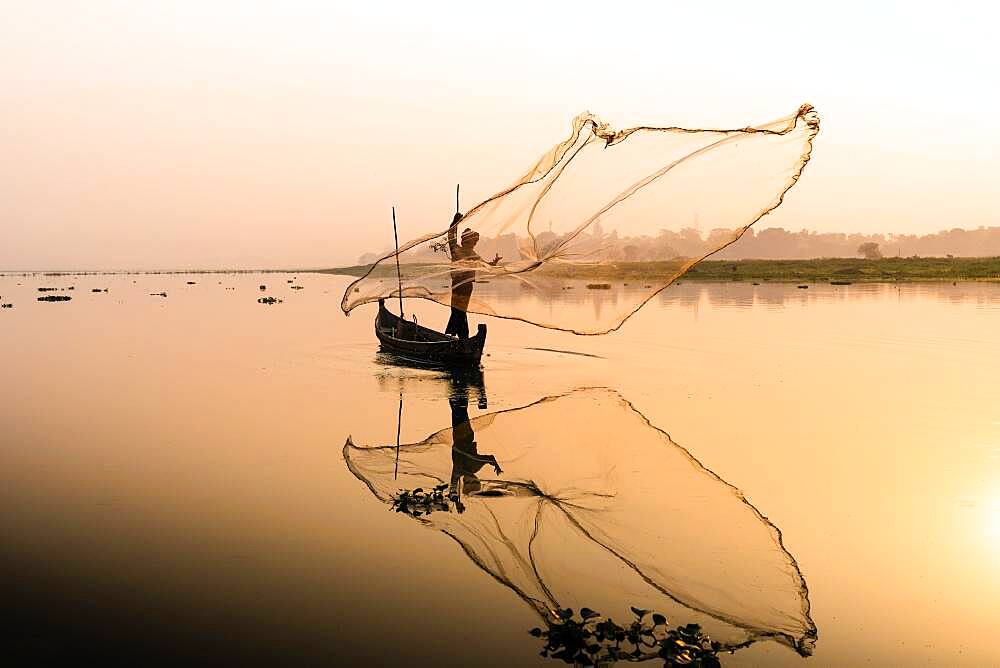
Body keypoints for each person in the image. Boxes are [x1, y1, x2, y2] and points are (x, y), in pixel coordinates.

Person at [445, 212, 501, 338]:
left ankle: (455, 335)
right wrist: (455, 222)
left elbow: (487, 265)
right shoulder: (458, 250)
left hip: (463, 286)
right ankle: (459, 335)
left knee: (458, 310)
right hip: (461, 286)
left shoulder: (468, 253)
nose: (474, 243)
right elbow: (451, 234)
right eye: (474, 241)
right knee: (459, 311)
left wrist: (495, 262)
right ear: (468, 241)